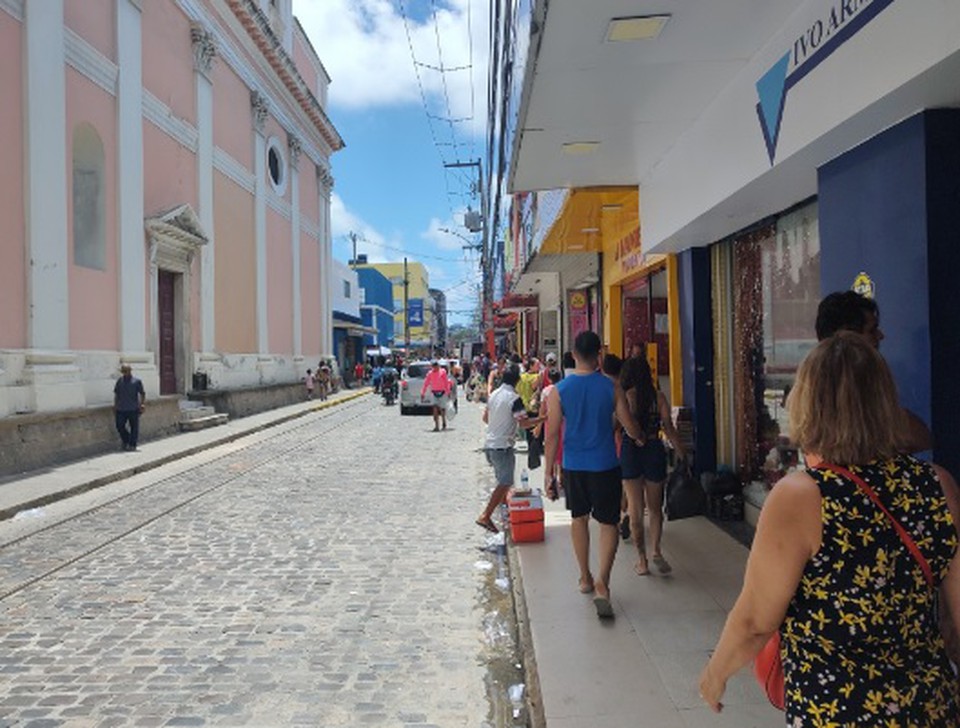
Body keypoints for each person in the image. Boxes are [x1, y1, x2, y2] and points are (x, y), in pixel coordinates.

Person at [699, 331, 960, 724]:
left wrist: (715, 674)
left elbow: (756, 619)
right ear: (885, 403)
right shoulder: (936, 484)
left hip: (839, 712)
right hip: (928, 708)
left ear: (808, 404)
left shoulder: (801, 497)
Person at [543, 331, 646, 619]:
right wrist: (640, 438)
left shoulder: (559, 391)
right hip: (605, 465)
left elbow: (551, 436)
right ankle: (603, 582)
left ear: (574, 354)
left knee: (579, 519)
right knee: (608, 523)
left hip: (574, 466)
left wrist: (549, 473)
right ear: (598, 354)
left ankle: (585, 577)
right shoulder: (611, 387)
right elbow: (628, 424)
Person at [815, 290, 931, 452]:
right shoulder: (818, 391)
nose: (880, 336)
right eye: (871, 330)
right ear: (848, 336)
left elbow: (920, 438)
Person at [619, 356, 686, 576]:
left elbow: (620, 424)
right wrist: (681, 451)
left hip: (631, 451)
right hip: (654, 450)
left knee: (635, 511)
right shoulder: (659, 398)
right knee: (656, 509)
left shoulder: (626, 397)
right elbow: (668, 427)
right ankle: (656, 550)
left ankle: (642, 560)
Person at [476, 365, 544, 533]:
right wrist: (543, 418)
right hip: (502, 446)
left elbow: (485, 418)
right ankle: (486, 515)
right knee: (505, 482)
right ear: (517, 381)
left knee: (505, 483)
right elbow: (524, 423)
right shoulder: (514, 399)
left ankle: (506, 516)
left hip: (490, 445)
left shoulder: (494, 395)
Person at [114, 364, 146, 452]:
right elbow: (116, 394)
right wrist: (115, 405)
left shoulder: (136, 381)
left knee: (134, 428)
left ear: (130, 371)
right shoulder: (119, 381)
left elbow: (142, 393)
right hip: (121, 408)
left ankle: (132, 444)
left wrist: (142, 404)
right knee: (119, 426)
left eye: (126, 371)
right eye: (123, 371)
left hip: (133, 408)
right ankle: (126, 440)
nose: (124, 373)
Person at [420, 360, 452, 431]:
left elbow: (446, 382)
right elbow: (426, 383)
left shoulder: (442, 372)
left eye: (436, 366)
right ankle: (436, 425)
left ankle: (444, 421)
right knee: (435, 408)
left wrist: (448, 392)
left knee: (442, 409)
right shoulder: (430, 374)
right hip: (434, 392)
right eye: (434, 367)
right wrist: (423, 393)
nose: (435, 368)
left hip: (442, 392)